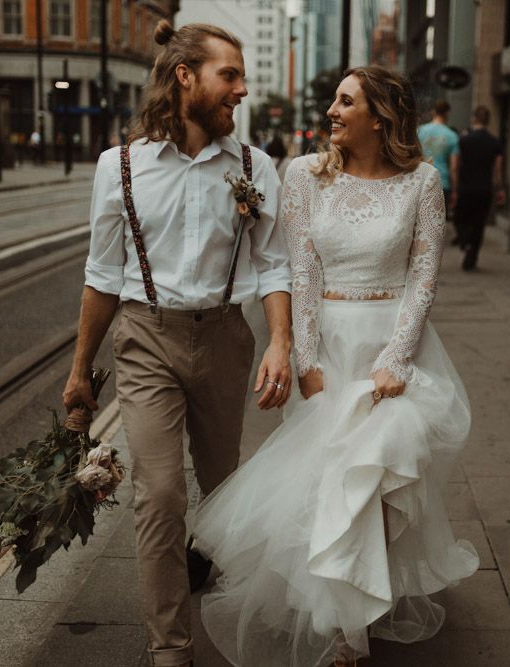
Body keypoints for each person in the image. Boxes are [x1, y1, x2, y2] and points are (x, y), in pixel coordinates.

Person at [193, 66, 479, 667]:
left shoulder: (422, 183)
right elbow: (303, 272)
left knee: (375, 479)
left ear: (380, 116)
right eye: (334, 100)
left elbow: (424, 276)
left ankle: (356, 618)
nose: (331, 110)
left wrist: (396, 358)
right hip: (327, 351)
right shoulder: (304, 176)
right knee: (332, 484)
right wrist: (306, 358)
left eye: (345, 101)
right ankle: (345, 629)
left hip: (394, 349)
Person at [62, 20, 292, 667]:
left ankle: (216, 587)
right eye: (230, 76)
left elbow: (273, 264)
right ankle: (170, 646)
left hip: (224, 337)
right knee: (159, 491)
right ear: (185, 76)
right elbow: (102, 274)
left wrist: (279, 340)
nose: (241, 90)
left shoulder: (254, 167)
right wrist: (80, 369)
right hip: (145, 339)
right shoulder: (120, 167)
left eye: (242, 77)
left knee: (222, 491)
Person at [452, 105, 505, 271]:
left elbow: (455, 165)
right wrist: (500, 189)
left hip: (465, 187)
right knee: (479, 223)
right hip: (484, 189)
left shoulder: (463, 140)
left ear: (474, 118)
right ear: (488, 121)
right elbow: (497, 170)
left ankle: (464, 240)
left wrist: (455, 187)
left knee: (458, 217)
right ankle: (471, 258)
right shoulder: (495, 142)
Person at [417, 100, 459, 227]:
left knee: (420, 224)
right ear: (447, 114)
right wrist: (455, 191)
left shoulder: (419, 131)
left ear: (433, 112)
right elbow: (454, 167)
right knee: (437, 225)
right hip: (442, 182)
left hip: (421, 180)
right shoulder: (452, 135)